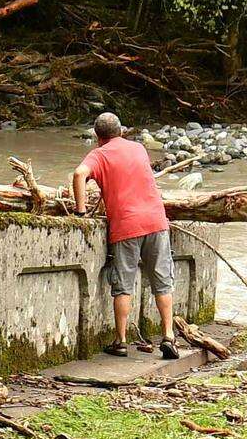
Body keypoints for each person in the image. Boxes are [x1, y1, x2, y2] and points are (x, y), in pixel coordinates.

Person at [70, 112, 178, 359]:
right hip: (156, 221)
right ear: (121, 131)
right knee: (163, 282)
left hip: (126, 226)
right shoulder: (138, 148)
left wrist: (80, 210)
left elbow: (79, 174)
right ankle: (169, 336)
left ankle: (120, 341)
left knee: (123, 286)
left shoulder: (99, 154)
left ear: (98, 137)